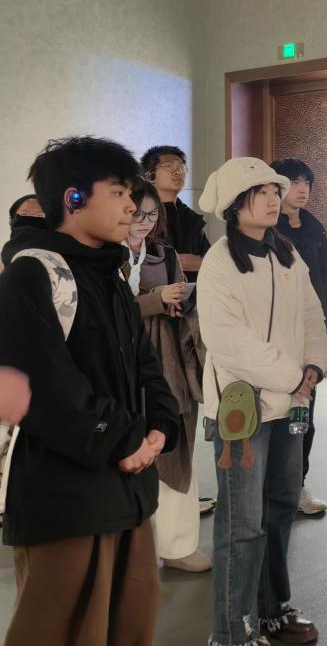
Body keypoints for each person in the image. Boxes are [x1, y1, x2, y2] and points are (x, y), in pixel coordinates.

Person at [0, 136, 180, 646]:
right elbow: (44, 385)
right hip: (66, 499)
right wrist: (125, 440)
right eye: (119, 193)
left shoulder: (110, 275)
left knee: (131, 622)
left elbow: (145, 362)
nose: (132, 207)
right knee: (62, 628)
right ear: (73, 199)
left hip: (129, 491)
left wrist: (160, 425)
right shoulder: (32, 274)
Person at [198, 157, 327, 646]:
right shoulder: (218, 263)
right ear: (236, 205)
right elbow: (228, 341)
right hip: (244, 412)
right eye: (263, 192)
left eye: (277, 191)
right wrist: (294, 376)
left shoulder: (287, 252)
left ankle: (272, 612)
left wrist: (314, 364)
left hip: (292, 404)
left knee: (279, 509)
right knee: (242, 524)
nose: (276, 199)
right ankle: (233, 632)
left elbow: (312, 314)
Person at [126, 180, 210, 571]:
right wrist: (155, 300)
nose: (144, 221)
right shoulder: (103, 256)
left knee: (176, 447)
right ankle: (133, 549)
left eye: (151, 213)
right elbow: (108, 311)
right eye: (136, 212)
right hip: (122, 365)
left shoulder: (164, 253)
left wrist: (179, 304)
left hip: (168, 359)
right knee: (129, 450)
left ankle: (178, 546)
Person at [271, 158, 327, 518]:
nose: (303, 190)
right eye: (295, 182)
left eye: (307, 183)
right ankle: (272, 486)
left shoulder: (313, 226)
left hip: (311, 332)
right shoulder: (268, 227)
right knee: (275, 411)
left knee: (304, 413)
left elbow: (325, 275)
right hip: (279, 333)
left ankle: (297, 483)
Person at [143, 145, 210, 279]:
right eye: (169, 166)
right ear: (150, 175)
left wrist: (201, 264)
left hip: (193, 290)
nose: (178, 171)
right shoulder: (141, 215)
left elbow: (212, 259)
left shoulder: (191, 218)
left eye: (181, 166)